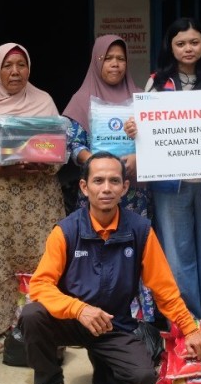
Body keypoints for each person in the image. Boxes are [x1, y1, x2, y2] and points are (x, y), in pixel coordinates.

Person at [21, 153, 201, 384]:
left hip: (113, 325)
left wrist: (191, 330)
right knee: (31, 315)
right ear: (84, 187)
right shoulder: (66, 231)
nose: (106, 189)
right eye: (98, 181)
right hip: (69, 320)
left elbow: (163, 288)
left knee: (142, 378)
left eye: (114, 181)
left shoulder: (140, 230)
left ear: (124, 188)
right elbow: (40, 285)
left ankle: (103, 362)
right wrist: (78, 309)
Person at [0, 44, 66, 354]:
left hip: (39, 199)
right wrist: (2, 161)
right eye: (8, 65)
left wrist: (41, 161)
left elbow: (58, 153)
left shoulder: (44, 101)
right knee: (0, 263)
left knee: (43, 261)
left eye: (21, 65)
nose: (15, 71)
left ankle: (42, 324)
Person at [130, 17, 201, 319]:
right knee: (177, 256)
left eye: (194, 42)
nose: (188, 49)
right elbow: (144, 128)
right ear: (170, 47)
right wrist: (136, 128)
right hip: (170, 185)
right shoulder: (157, 82)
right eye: (181, 43)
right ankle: (189, 323)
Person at [62, 34, 156, 320]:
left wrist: (139, 144)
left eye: (121, 59)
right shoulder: (81, 100)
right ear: (97, 61)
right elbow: (71, 145)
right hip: (96, 192)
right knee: (95, 251)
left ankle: (139, 316)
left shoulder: (140, 98)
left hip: (133, 192)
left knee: (133, 249)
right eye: (108, 59)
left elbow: (157, 141)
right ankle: (92, 312)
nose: (115, 65)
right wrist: (96, 163)